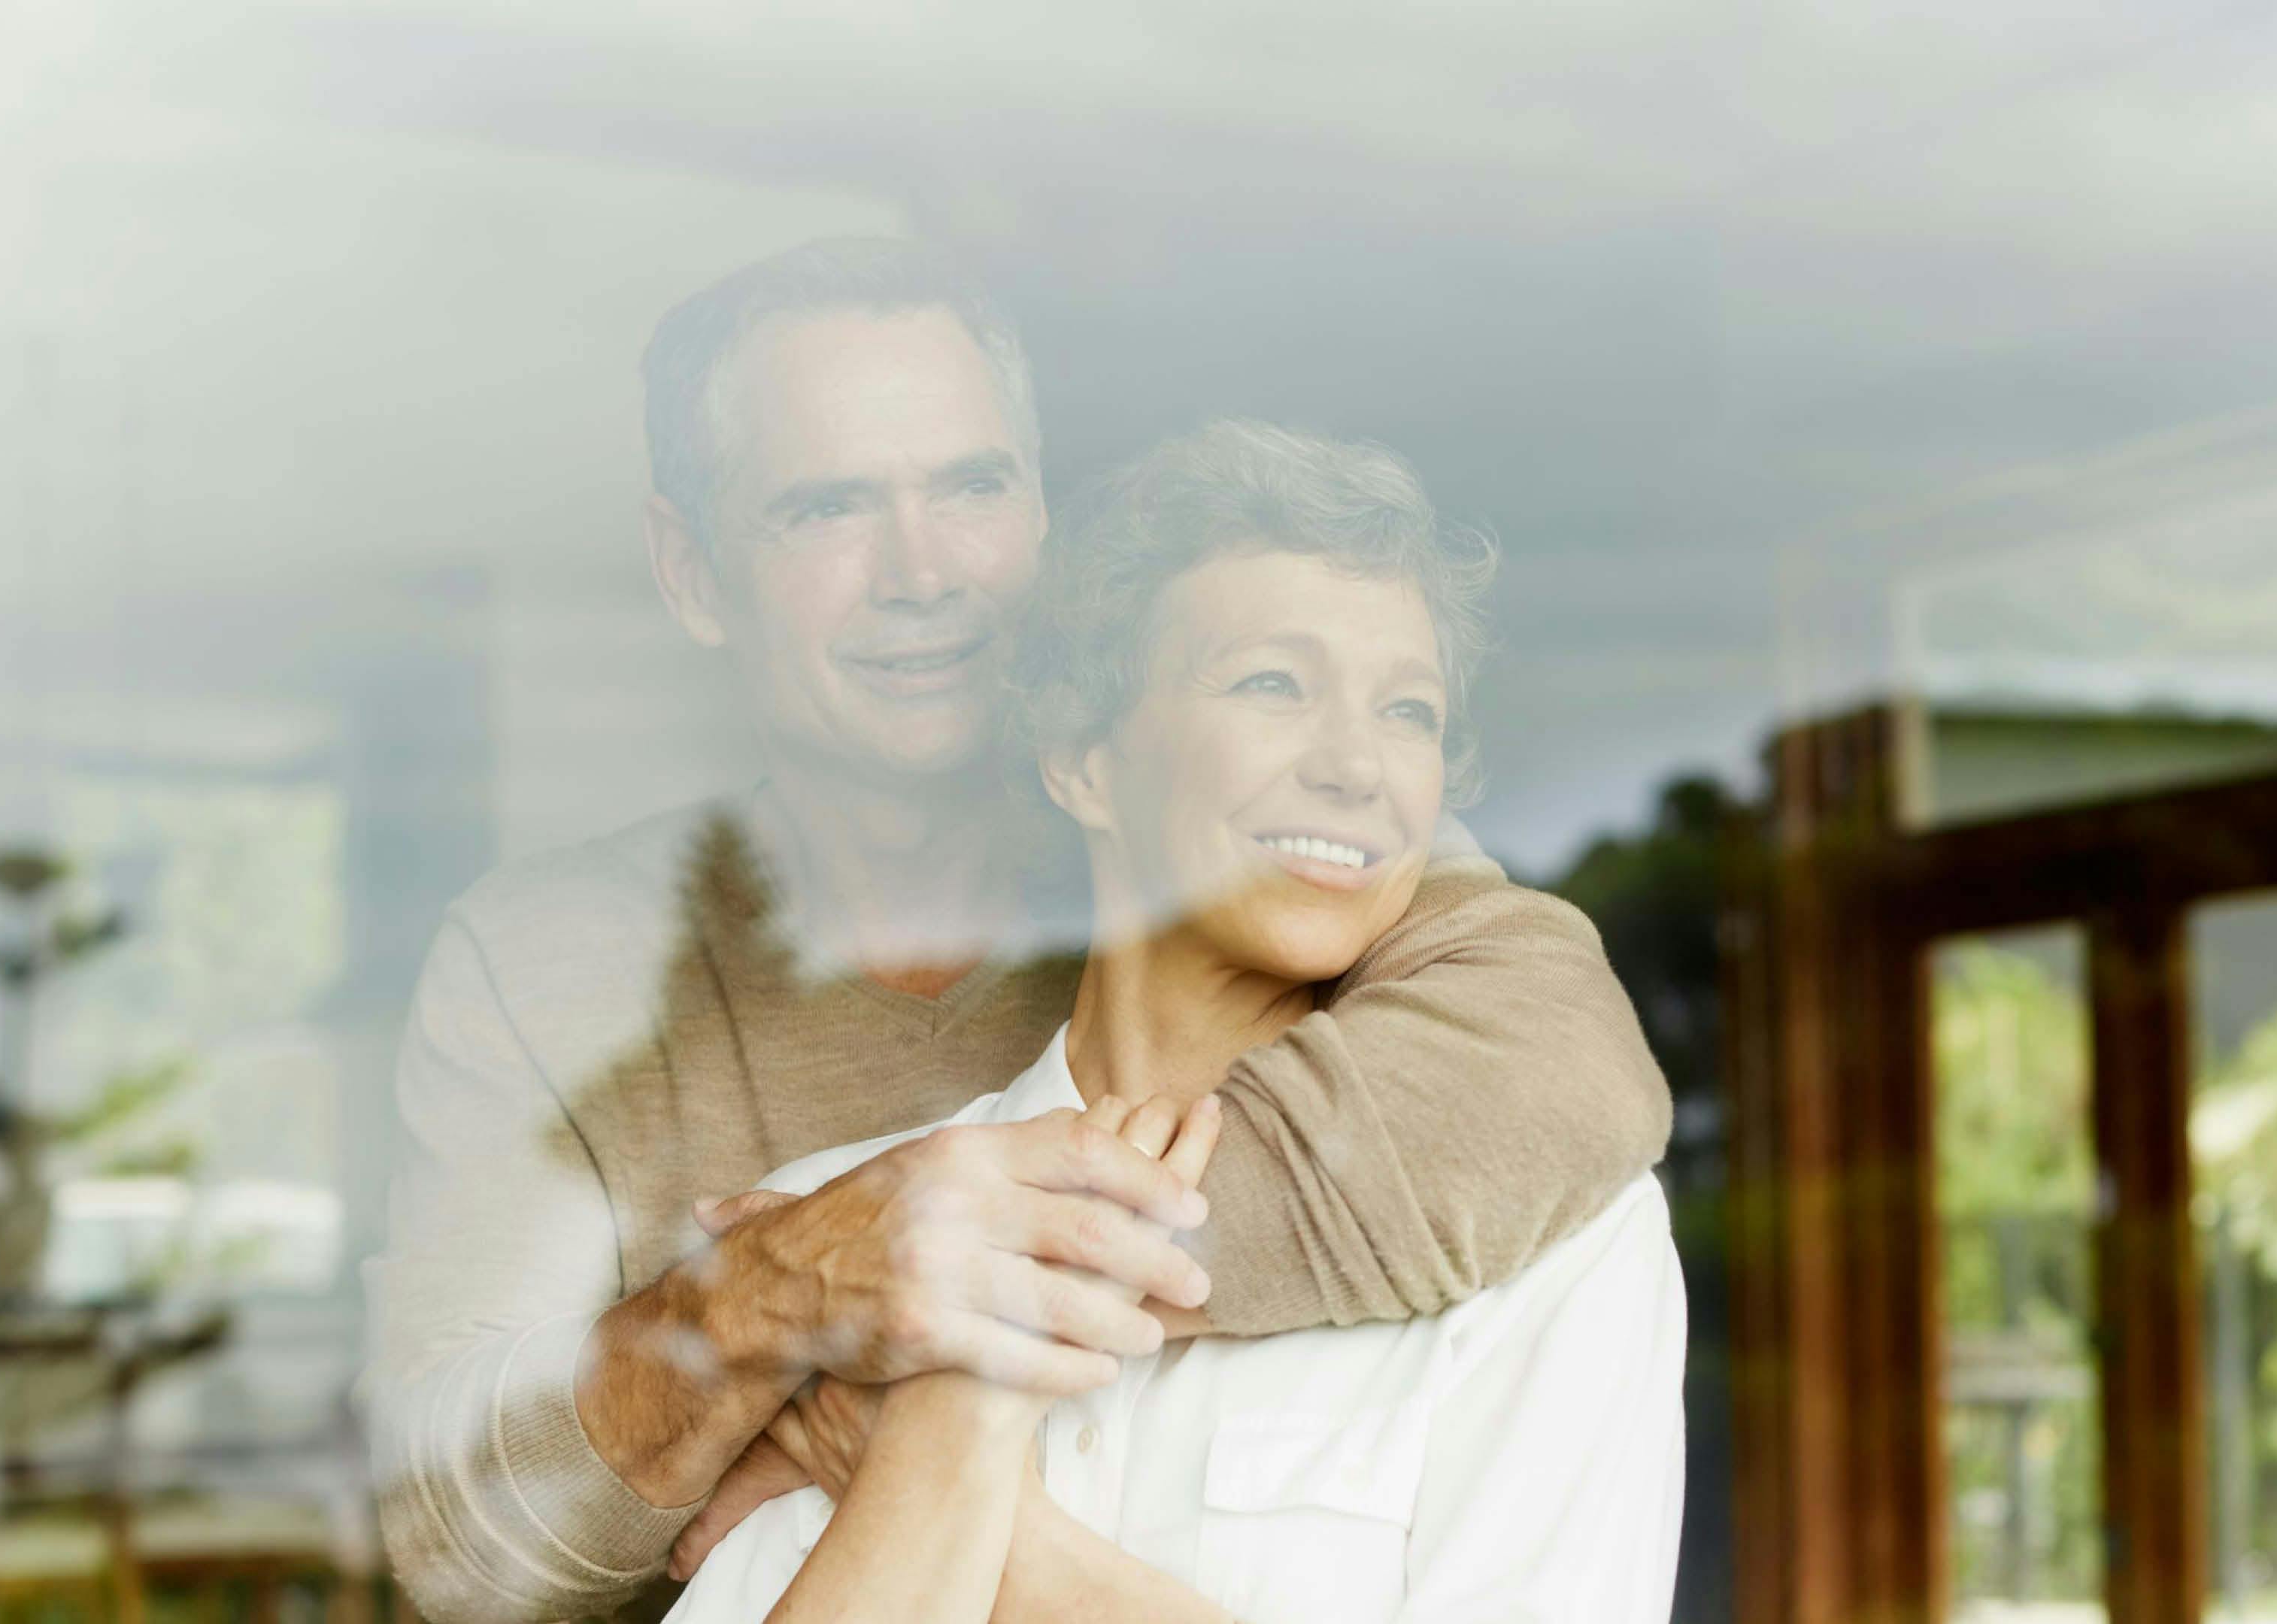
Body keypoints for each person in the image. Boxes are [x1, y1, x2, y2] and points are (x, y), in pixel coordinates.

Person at [362, 239, 1673, 1623]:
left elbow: (1571, 1068)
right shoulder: (581, 994)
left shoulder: (1266, 828)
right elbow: (464, 1549)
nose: (922, 572)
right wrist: (763, 1306)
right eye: (827, 509)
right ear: (691, 572)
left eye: (974, 488)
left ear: (1042, 518)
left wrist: (975, 1318)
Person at [669, 419, 1685, 1623]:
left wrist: (961, 1442)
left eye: (1408, 712)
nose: (1361, 767)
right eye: (1274, 684)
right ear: (1081, 760)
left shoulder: (1552, 1245)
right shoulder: (848, 1232)